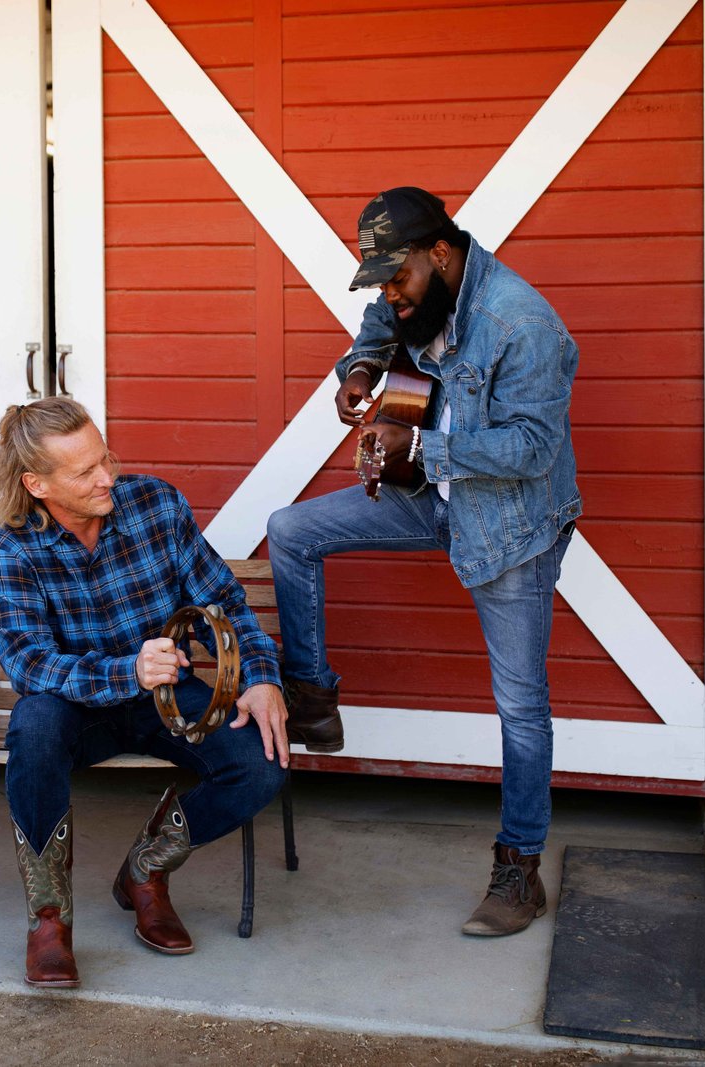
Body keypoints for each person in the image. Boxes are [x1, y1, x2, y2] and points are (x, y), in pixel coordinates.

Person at [267, 186, 581, 936]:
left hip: (509, 525)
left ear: (440, 254)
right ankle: (313, 694)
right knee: (289, 529)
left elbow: (534, 450)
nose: (387, 293)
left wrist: (425, 446)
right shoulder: (416, 294)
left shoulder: (523, 325)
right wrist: (360, 368)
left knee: (520, 706)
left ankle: (519, 868)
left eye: (396, 277)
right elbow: (381, 322)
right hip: (428, 491)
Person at [0, 398, 289, 987]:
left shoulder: (157, 504)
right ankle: (49, 920)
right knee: (34, 724)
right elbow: (27, 664)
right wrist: (128, 671)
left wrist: (259, 676)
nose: (106, 478)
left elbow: (219, 604)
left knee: (260, 764)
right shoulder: (11, 546)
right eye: (84, 472)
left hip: (166, 697)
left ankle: (144, 873)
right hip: (78, 712)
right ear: (36, 483)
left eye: (106, 458)